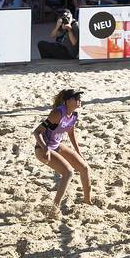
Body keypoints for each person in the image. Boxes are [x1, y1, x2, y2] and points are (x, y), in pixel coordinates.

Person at [33, 89, 92, 217]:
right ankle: (54, 209)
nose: (79, 100)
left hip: (56, 146)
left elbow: (71, 133)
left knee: (84, 167)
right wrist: (45, 148)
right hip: (42, 149)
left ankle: (88, 202)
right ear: (68, 101)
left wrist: (79, 152)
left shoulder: (74, 115)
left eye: (80, 97)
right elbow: (37, 132)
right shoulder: (58, 113)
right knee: (68, 172)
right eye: (76, 98)